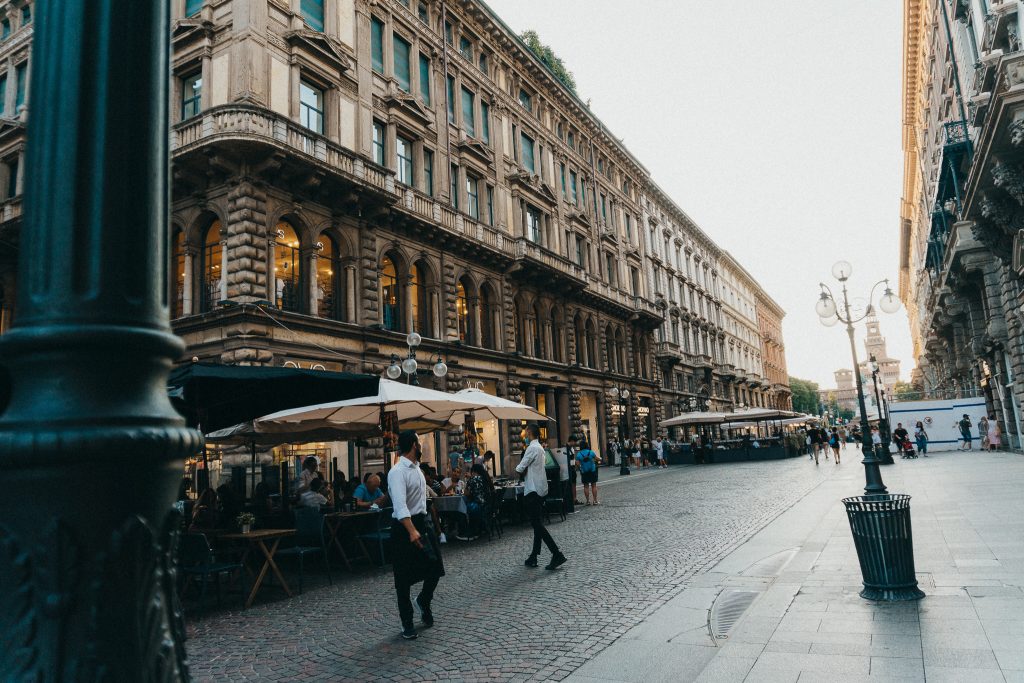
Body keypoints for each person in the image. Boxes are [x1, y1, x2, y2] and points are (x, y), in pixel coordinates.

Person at [388, 430, 445, 640]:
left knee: (436, 567)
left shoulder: (418, 470)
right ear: (413, 445)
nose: (421, 446)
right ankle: (407, 622)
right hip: (404, 528)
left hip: (422, 522)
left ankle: (423, 600)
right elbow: (400, 505)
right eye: (419, 443)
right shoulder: (397, 472)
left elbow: (421, 502)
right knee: (403, 579)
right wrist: (412, 531)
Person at [517, 423, 567, 570]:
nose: (524, 435)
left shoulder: (531, 448)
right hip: (540, 488)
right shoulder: (539, 448)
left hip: (533, 490)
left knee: (537, 524)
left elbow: (520, 467)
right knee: (537, 523)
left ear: (530, 433)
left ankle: (556, 553)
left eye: (526, 432)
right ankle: (534, 556)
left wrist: (521, 469)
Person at [463, 463, 495, 538]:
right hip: (489, 505)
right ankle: (480, 528)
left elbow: (466, 493)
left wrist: (468, 480)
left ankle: (471, 531)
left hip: (480, 506)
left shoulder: (473, 479)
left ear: (473, 471)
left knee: (467, 507)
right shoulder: (486, 478)